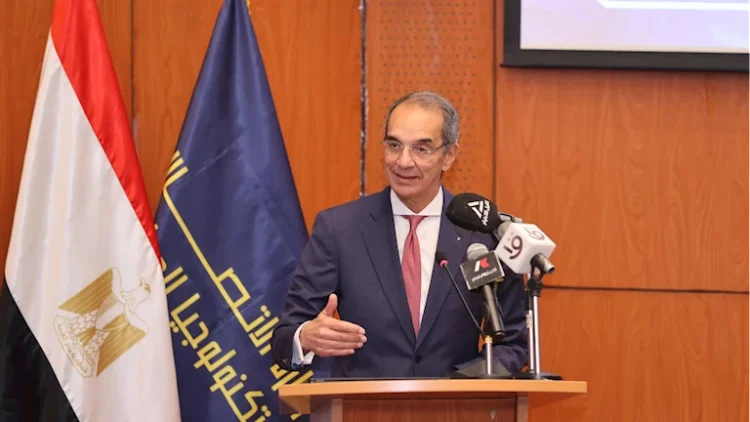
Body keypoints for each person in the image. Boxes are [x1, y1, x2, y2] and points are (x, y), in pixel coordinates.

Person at [271, 91, 527, 378]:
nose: (403, 162)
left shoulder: (483, 232)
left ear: (449, 156)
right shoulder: (339, 229)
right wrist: (306, 337)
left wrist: (469, 384)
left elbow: (514, 343)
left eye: (421, 149)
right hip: (362, 401)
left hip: (455, 401)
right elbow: (285, 337)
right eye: (394, 145)